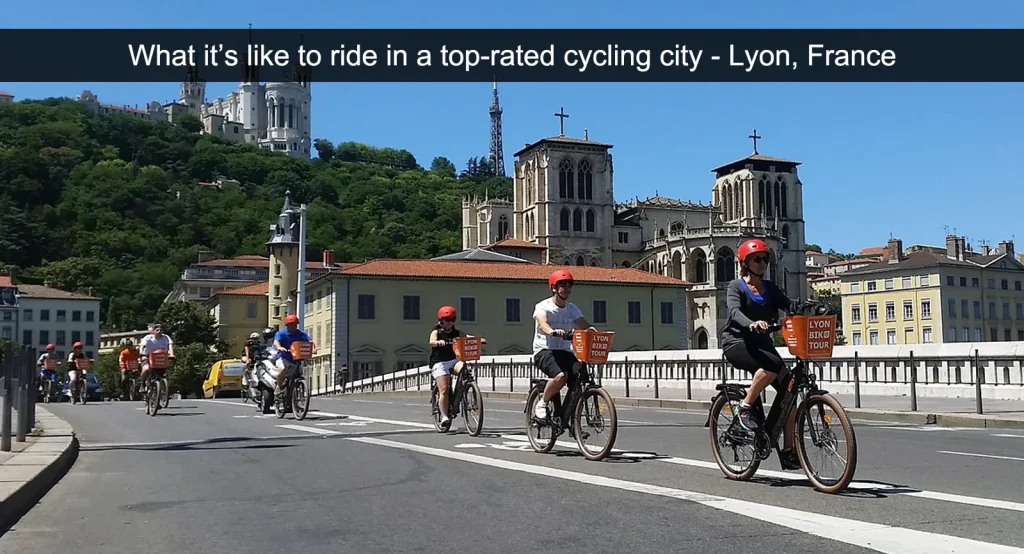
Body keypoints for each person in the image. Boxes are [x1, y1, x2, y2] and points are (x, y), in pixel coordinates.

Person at [720, 238, 800, 470]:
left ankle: (788, 451)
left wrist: (814, 308)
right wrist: (751, 323)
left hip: (762, 345)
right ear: (745, 263)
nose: (762, 263)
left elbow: (790, 305)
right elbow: (734, 311)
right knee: (772, 365)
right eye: (757, 259)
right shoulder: (736, 286)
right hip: (737, 342)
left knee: (790, 394)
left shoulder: (771, 288)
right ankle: (745, 406)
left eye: (765, 259)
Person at [531, 269, 598, 433]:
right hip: (545, 351)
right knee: (561, 376)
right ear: (554, 288)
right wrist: (552, 331)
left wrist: (596, 333)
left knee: (580, 380)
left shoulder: (573, 309)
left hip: (565, 352)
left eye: (569, 285)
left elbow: (584, 325)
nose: (567, 288)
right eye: (562, 285)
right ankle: (543, 403)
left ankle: (571, 422)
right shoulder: (543, 306)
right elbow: (542, 323)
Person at [429, 305, 464, 432]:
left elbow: (466, 337)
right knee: (444, 389)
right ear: (441, 321)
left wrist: (477, 339)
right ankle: (444, 416)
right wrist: (438, 342)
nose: (450, 322)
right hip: (439, 363)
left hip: (453, 360)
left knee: (464, 369)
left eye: (452, 320)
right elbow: (431, 341)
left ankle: (462, 393)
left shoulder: (457, 332)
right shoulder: (436, 332)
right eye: (447, 320)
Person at [271, 315, 314, 401]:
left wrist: (314, 348)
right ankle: (279, 387)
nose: (293, 327)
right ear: (287, 325)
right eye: (291, 325)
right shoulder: (281, 333)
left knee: (297, 374)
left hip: (296, 358)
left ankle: (294, 393)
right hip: (283, 357)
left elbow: (310, 341)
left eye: (294, 325)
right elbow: (276, 341)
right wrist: (280, 347)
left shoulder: (301, 334)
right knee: (284, 369)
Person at [139, 323, 175, 392]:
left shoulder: (166, 337)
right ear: (154, 331)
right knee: (146, 369)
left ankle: (164, 390)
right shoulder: (148, 337)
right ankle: (142, 383)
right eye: (157, 330)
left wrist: (172, 354)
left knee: (162, 372)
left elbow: (170, 346)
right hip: (147, 356)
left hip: (160, 357)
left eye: (161, 330)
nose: (159, 331)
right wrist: (141, 352)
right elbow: (142, 345)